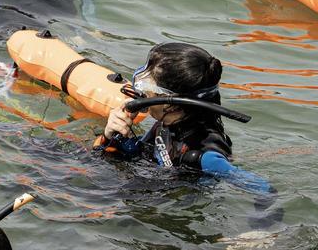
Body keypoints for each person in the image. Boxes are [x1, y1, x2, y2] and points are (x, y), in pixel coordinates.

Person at [99, 42, 273, 193]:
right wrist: (112, 136)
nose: (140, 92)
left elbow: (265, 189)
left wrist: (259, 228)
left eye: (145, 84)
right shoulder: (167, 124)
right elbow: (142, 158)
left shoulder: (204, 155)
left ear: (170, 103)